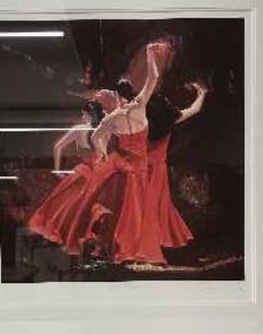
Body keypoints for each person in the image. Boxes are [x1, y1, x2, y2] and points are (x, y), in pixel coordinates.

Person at [58, 45, 160, 263]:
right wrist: (150, 54)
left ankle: (108, 243)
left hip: (120, 162)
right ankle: (125, 248)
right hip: (138, 166)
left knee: (115, 204)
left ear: (117, 97)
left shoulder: (111, 119)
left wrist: (104, 154)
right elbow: (154, 77)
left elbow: (96, 138)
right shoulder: (140, 104)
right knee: (133, 209)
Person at [135, 82, 209, 265]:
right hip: (158, 171)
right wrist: (202, 94)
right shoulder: (168, 121)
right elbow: (194, 110)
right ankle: (150, 250)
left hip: (141, 169)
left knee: (143, 210)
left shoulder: (140, 123)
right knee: (156, 210)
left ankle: (144, 250)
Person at [27, 101, 104, 244]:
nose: (82, 116)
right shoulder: (101, 131)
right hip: (96, 173)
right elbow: (102, 156)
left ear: (87, 115)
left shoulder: (79, 129)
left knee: (69, 206)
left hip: (82, 172)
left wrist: (58, 169)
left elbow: (57, 147)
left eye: (83, 114)